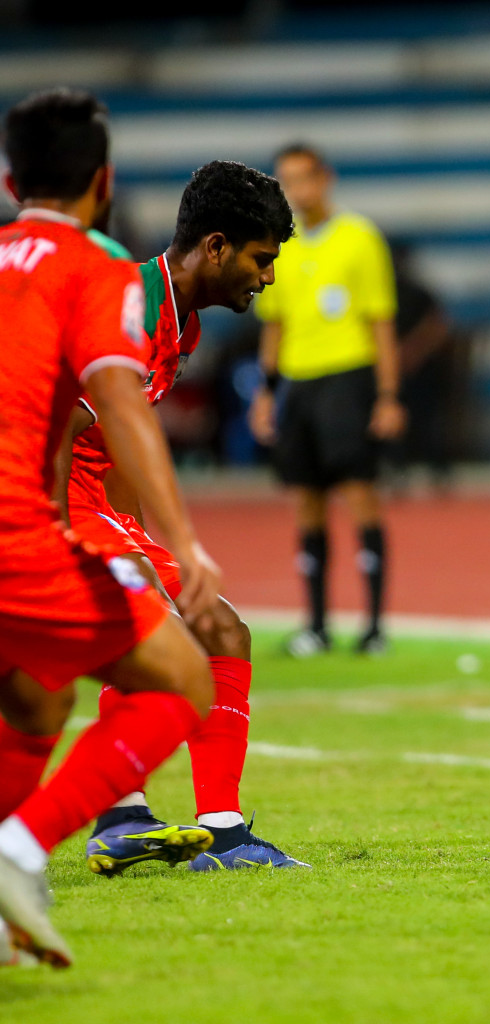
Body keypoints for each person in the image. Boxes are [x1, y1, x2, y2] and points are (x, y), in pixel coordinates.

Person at [0, 88, 223, 968]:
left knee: (38, 697)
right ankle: (20, 853)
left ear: (12, 178)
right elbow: (120, 401)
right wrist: (185, 536)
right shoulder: (95, 267)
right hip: (16, 531)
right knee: (183, 677)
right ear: (104, 182)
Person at [60, 161, 307, 871]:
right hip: (43, 491)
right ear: (217, 246)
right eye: (261, 260)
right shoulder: (128, 307)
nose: (266, 279)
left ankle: (211, 830)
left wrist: (136, 538)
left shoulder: (183, 324)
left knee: (222, 627)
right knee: (151, 622)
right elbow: (58, 429)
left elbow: (117, 442)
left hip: (96, 496)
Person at [249, 143, 403, 657]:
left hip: (349, 379)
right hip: (298, 383)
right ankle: (315, 625)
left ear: (325, 179)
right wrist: (265, 396)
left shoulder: (360, 238)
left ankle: (375, 626)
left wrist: (387, 395)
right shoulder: (280, 245)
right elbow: (274, 327)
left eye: (303, 178)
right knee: (306, 501)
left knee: (360, 494)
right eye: (285, 181)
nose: (296, 190)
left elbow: (381, 323)